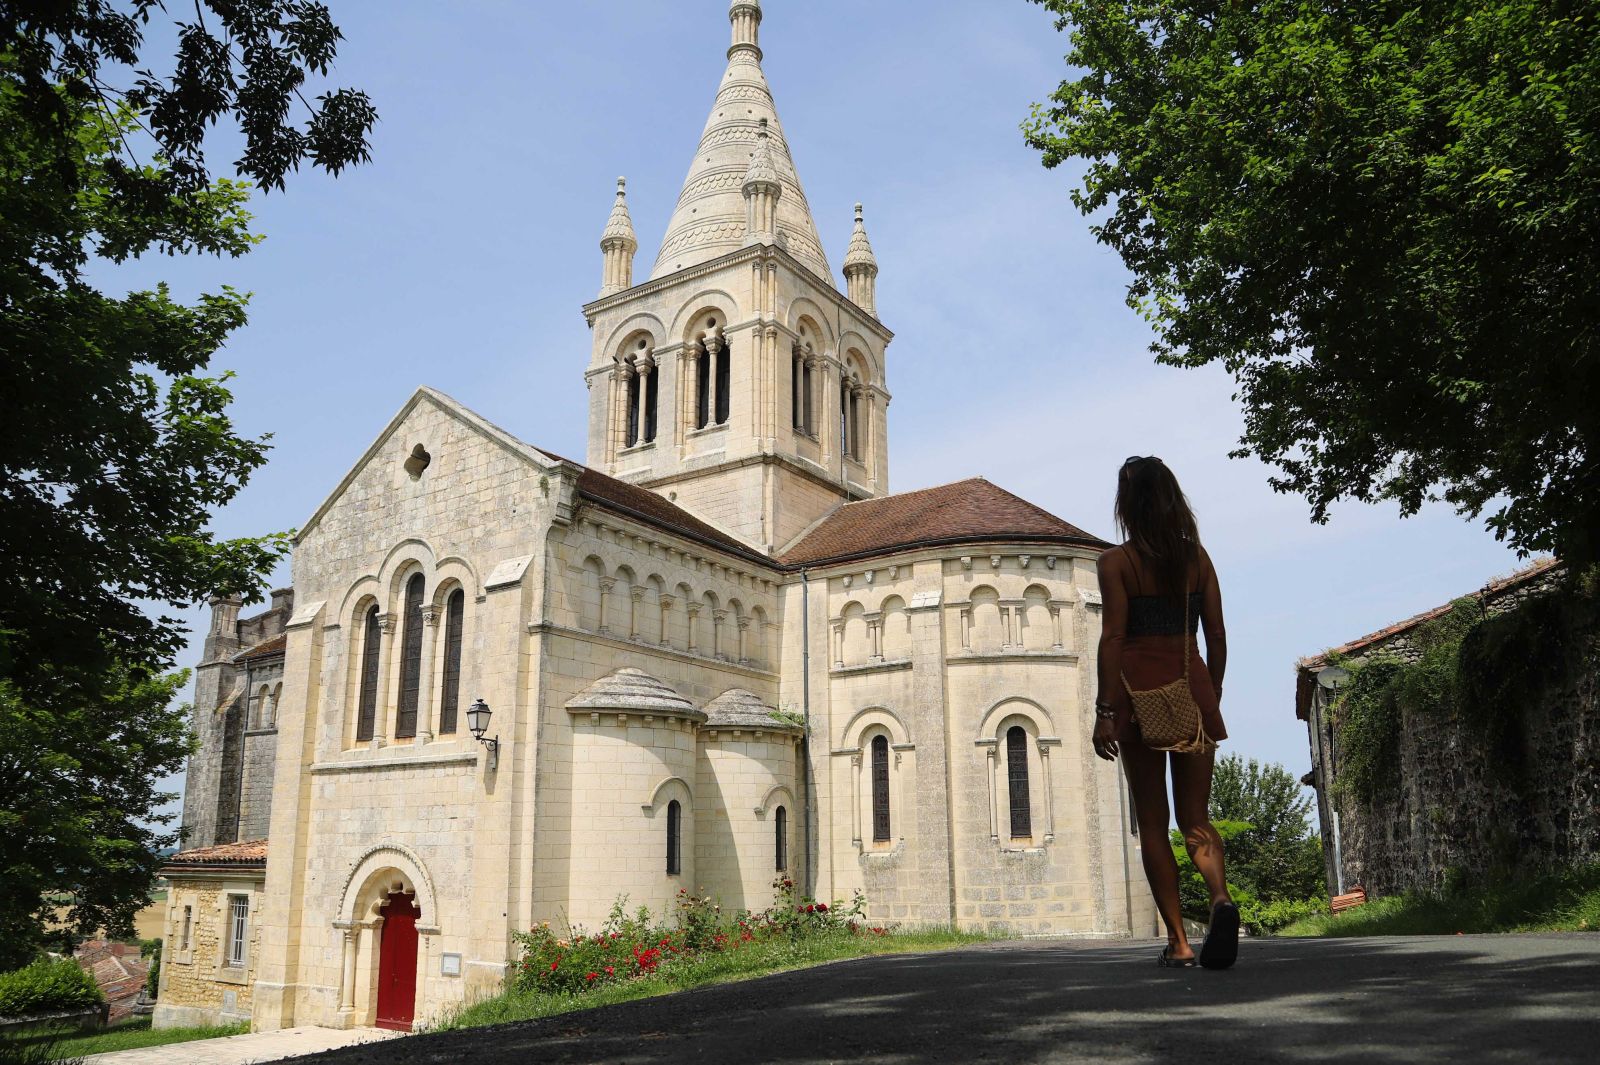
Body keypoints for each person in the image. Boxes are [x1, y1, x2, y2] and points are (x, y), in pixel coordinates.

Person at [1091, 456, 1236, 969]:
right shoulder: (1197, 559)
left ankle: (1178, 942)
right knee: (1195, 816)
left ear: (1126, 504)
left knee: (1153, 822)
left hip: (1135, 693)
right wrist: (1209, 691)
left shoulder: (1116, 564)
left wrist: (1105, 710)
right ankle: (1220, 896)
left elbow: (1113, 638)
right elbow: (1215, 635)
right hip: (1190, 685)